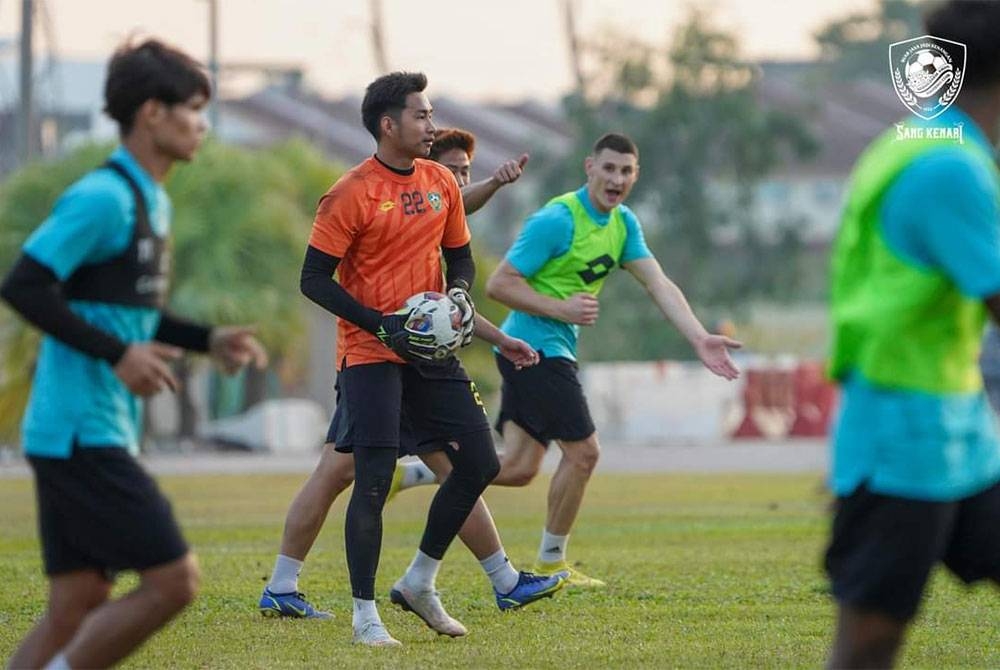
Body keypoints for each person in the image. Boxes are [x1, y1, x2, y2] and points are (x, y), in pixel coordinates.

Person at [0, 39, 267, 670]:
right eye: (194, 109)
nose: (202, 125)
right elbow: (24, 284)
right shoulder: (104, 197)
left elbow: (126, 307)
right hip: (77, 430)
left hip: (92, 427)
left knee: (77, 602)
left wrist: (206, 339)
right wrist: (120, 353)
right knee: (174, 581)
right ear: (153, 113)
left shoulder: (154, 199)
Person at [291, 71, 564, 647]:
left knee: (480, 463)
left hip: (433, 352)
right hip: (370, 353)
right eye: (421, 115)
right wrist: (381, 323)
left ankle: (418, 580)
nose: (431, 124)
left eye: (431, 113)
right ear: (388, 125)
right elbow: (313, 280)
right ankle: (365, 617)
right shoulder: (350, 193)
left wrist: (460, 295)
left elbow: (459, 258)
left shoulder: (441, 180)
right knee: (370, 483)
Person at [484, 132, 742, 587]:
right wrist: (561, 309)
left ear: (635, 176)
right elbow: (499, 284)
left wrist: (700, 337)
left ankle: (416, 472)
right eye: (609, 168)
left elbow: (659, 284)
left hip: (547, 349)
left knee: (519, 468)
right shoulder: (558, 219)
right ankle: (550, 565)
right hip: (531, 347)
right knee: (584, 454)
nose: (616, 179)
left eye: (626, 171)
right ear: (590, 167)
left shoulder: (623, 225)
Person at [825, 3, 1000, 667]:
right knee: (868, 647)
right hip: (903, 442)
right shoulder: (948, 167)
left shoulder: (925, 139)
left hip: (963, 438)